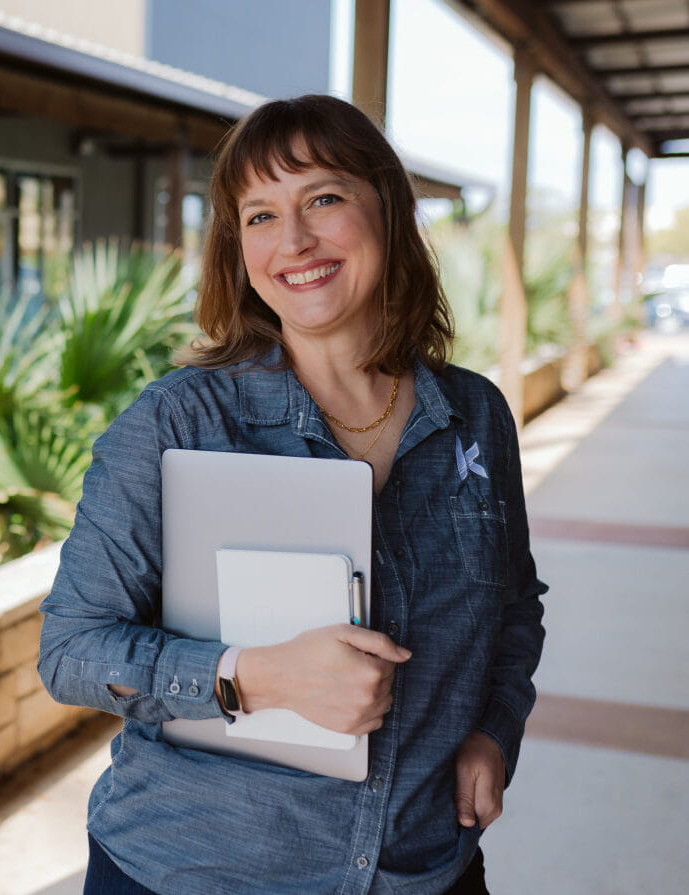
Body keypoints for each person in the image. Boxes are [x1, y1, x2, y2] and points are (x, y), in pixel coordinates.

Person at [38, 94, 547, 895]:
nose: (295, 240)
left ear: (387, 207)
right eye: (260, 216)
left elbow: (515, 604)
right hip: (198, 869)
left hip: (424, 868)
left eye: (323, 198)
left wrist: (492, 728)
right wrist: (253, 674)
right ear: (236, 249)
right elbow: (71, 650)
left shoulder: (475, 414)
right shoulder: (178, 419)